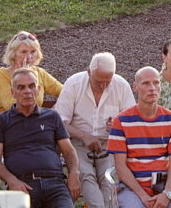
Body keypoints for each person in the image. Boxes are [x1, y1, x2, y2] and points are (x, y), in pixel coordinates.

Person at [0, 68, 83, 208]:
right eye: (21, 87)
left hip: (55, 184)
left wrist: (74, 175)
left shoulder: (52, 116)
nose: (27, 91)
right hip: (22, 186)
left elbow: (69, 150)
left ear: (38, 89)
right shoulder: (1, 121)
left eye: (31, 86)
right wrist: (12, 181)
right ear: (13, 92)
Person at [54, 52, 135, 208]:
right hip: (77, 141)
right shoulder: (74, 84)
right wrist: (84, 136)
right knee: (85, 174)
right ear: (88, 71)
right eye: (99, 81)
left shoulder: (121, 85)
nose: (103, 86)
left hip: (110, 142)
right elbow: (59, 123)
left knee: (109, 176)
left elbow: (131, 122)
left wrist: (118, 125)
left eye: (108, 81)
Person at [107, 67, 171, 208]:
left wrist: (167, 193)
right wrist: (143, 196)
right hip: (132, 189)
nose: (152, 88)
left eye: (156, 83)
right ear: (135, 87)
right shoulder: (121, 121)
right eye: (146, 83)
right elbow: (120, 166)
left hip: (163, 188)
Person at [0, 31, 63, 119]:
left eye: (33, 52)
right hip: (4, 125)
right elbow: (14, 106)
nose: (29, 56)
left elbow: (66, 92)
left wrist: (54, 110)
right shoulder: (1, 76)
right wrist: (25, 75)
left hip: (32, 123)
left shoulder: (40, 73)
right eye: (23, 52)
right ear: (13, 54)